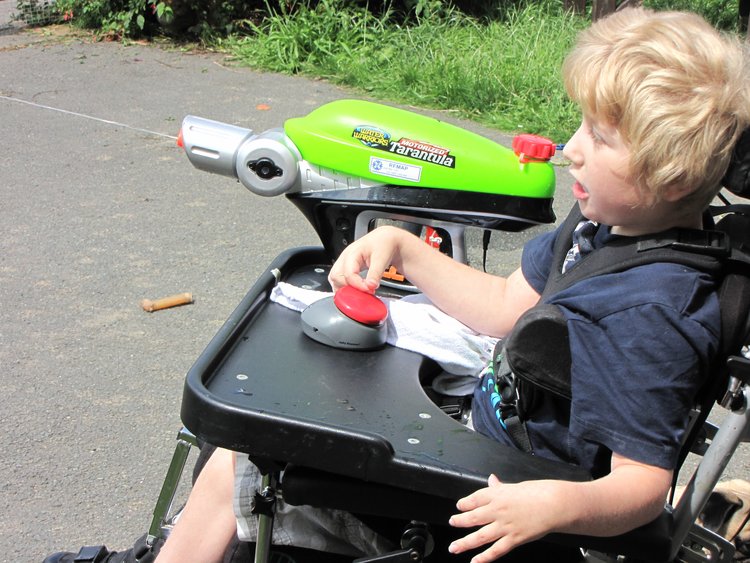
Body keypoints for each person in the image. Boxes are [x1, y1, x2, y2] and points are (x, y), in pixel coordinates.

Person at [45, 7, 750, 563]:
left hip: (496, 496)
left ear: (673, 176)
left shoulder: (651, 314)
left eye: (600, 135)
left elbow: (642, 486)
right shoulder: (608, 230)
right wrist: (406, 250)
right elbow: (508, 307)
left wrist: (545, 508)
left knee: (243, 454)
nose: (571, 146)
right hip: (484, 432)